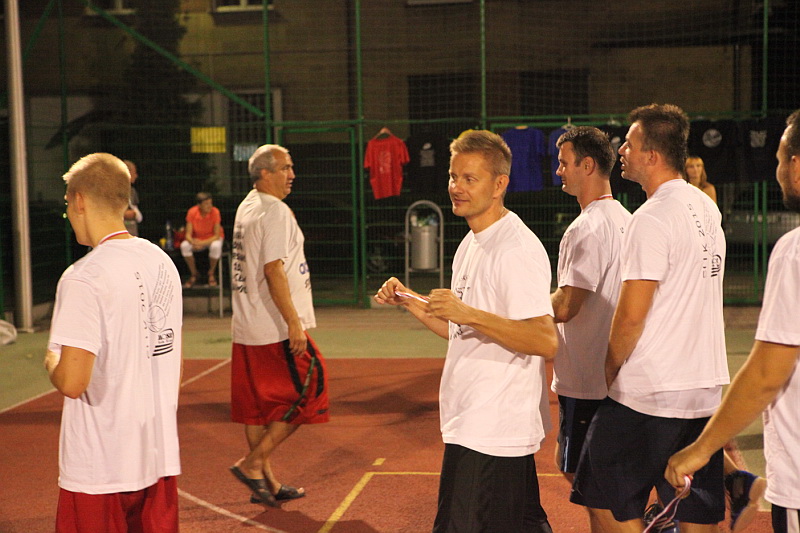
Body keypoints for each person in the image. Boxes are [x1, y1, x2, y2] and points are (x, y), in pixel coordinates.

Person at [375, 130, 558, 532]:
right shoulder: (472, 242)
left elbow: (545, 340)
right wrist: (410, 300)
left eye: (469, 179)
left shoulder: (516, 249)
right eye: (453, 176)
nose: (456, 187)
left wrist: (468, 314)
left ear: (499, 184)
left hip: (493, 427)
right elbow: (459, 329)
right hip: (473, 420)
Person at [569, 103, 729, 532]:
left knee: (603, 501)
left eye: (630, 144)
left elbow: (630, 318)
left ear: (652, 156)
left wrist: (610, 372)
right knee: (695, 512)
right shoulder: (706, 208)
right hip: (703, 391)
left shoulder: (651, 217)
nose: (621, 150)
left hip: (650, 393)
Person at [666, 109, 800, 533]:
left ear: (797, 166)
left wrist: (701, 449)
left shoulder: (794, 251)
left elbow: (766, 374)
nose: (777, 171)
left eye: (779, 160)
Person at [44, 153, 183, 533]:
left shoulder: (83, 277)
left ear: (79, 200)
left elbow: (73, 381)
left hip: (100, 467)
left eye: (67, 203)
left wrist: (51, 359)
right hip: (156, 457)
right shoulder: (161, 262)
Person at [228, 144, 329, 507]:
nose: (292, 175)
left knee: (258, 408)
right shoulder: (274, 211)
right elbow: (273, 270)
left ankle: (266, 483)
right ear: (265, 173)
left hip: (248, 323)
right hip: (273, 327)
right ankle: (253, 464)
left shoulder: (247, 205)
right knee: (311, 390)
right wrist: (294, 323)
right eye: (285, 168)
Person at [550, 127, 632, 493]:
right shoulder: (628, 220)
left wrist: (512, 308)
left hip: (586, 376)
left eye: (564, 163)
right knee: (601, 471)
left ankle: (634, 519)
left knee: (587, 479)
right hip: (617, 370)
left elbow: (567, 305)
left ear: (587, 165)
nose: (559, 171)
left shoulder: (585, 228)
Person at [180, 191, 224, 288]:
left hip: (211, 239)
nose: (209, 206)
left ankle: (211, 273)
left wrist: (202, 243)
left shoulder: (215, 212)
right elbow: (188, 234)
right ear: (199, 205)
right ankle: (194, 273)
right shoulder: (192, 212)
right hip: (197, 239)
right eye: (206, 204)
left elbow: (217, 235)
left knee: (216, 246)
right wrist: (193, 242)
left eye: (210, 203)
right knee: (184, 246)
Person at [123, 159, 143, 236]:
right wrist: (123, 214)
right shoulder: (112, 191)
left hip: (132, 233)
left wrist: (135, 213)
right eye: (134, 172)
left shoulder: (132, 191)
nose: (136, 176)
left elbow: (138, 217)